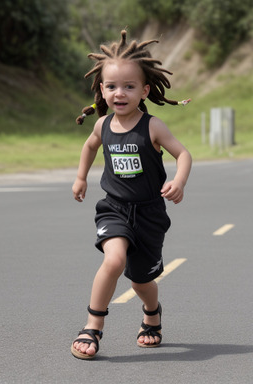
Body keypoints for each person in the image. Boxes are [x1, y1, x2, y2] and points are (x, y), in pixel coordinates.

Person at [71, 29, 192, 360]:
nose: (119, 93)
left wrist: (179, 181)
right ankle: (92, 327)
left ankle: (152, 312)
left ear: (145, 91)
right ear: (101, 90)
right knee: (114, 259)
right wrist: (81, 177)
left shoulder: (153, 127)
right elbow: (90, 145)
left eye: (129, 86)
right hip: (113, 208)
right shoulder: (102, 125)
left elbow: (183, 154)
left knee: (141, 281)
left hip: (150, 214)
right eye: (111, 86)